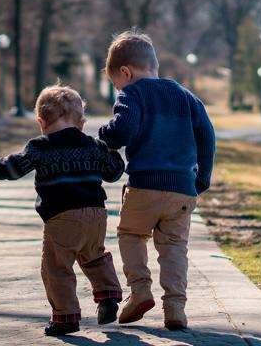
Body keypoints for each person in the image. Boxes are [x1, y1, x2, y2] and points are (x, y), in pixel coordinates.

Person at [0, 84, 126, 336]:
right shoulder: (92, 145)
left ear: (41, 122)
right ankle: (108, 297)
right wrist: (113, 151)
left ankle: (66, 317)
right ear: (81, 123)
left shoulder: (39, 147)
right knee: (95, 256)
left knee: (57, 267)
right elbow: (113, 172)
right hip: (96, 215)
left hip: (62, 217)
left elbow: (14, 167)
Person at [98, 30, 215, 330]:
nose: (118, 89)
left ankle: (139, 292)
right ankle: (175, 308)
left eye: (116, 84)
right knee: (174, 246)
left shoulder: (132, 93)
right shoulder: (186, 96)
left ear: (126, 72)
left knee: (131, 234)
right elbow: (207, 135)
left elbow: (122, 130)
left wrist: (104, 135)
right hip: (182, 190)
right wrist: (202, 178)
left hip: (144, 185)